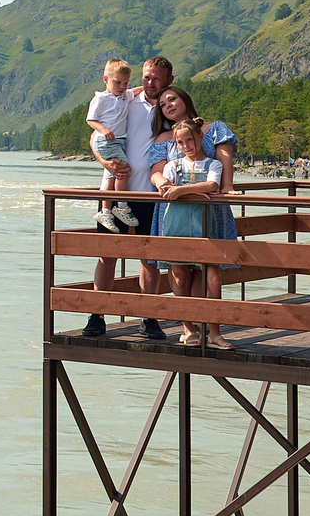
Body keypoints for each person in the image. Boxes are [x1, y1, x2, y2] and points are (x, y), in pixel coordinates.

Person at [83, 55, 173, 341]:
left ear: (168, 80)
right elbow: (94, 138)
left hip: (149, 193)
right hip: (113, 189)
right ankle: (97, 315)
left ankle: (149, 318)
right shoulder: (125, 98)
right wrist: (105, 162)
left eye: (156, 78)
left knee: (149, 259)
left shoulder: (171, 107)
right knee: (107, 255)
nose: (150, 82)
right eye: (147, 77)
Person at [151, 116, 225, 345]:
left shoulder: (214, 164)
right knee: (180, 276)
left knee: (211, 278)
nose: (186, 146)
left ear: (200, 137)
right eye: (180, 143)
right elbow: (166, 187)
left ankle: (214, 331)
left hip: (205, 227)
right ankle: (188, 328)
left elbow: (212, 185)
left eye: (189, 140)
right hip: (177, 225)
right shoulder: (173, 166)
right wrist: (190, 191)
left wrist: (181, 192)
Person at [86, 60, 139, 233]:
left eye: (126, 83)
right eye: (117, 82)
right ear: (106, 79)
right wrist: (103, 129)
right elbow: (91, 119)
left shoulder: (125, 96)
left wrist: (150, 87)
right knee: (124, 170)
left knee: (111, 176)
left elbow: (137, 91)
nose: (122, 86)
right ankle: (122, 206)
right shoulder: (100, 99)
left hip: (119, 142)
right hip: (106, 141)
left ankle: (106, 211)